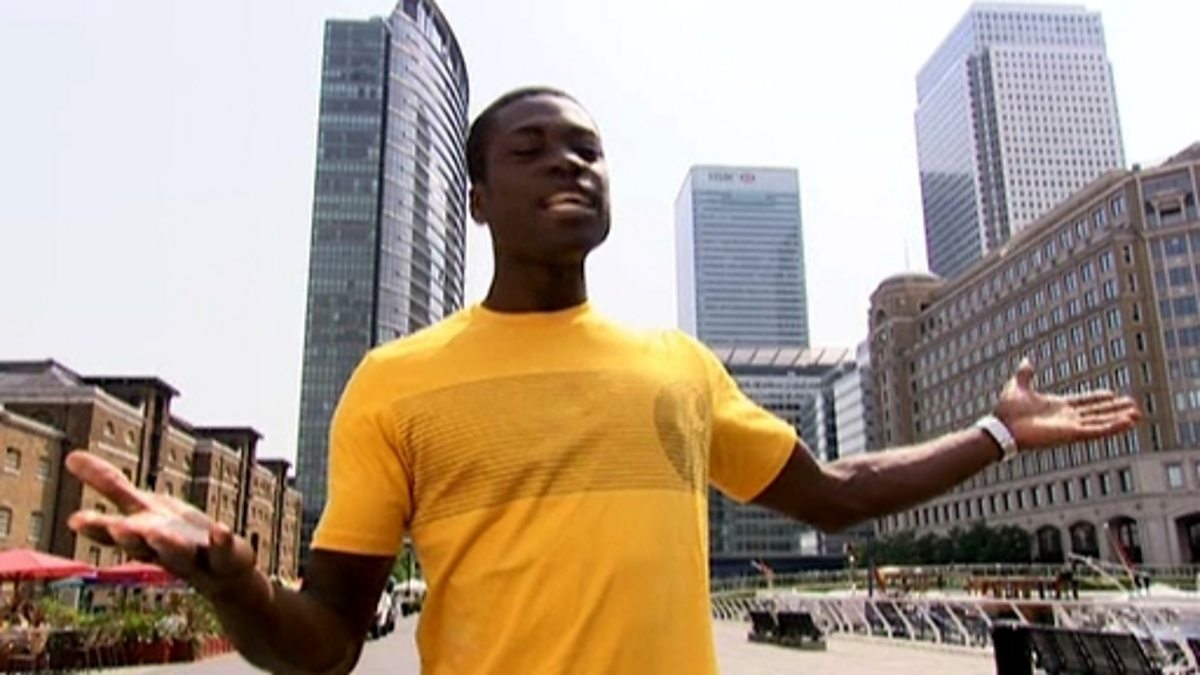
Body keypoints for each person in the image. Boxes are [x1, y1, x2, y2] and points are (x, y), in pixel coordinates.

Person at [64, 86, 1141, 674]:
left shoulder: (676, 365)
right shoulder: (395, 383)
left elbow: (838, 492)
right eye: (531, 149)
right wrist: (232, 580)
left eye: (586, 148)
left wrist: (999, 433)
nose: (569, 162)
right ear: (477, 199)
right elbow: (329, 643)